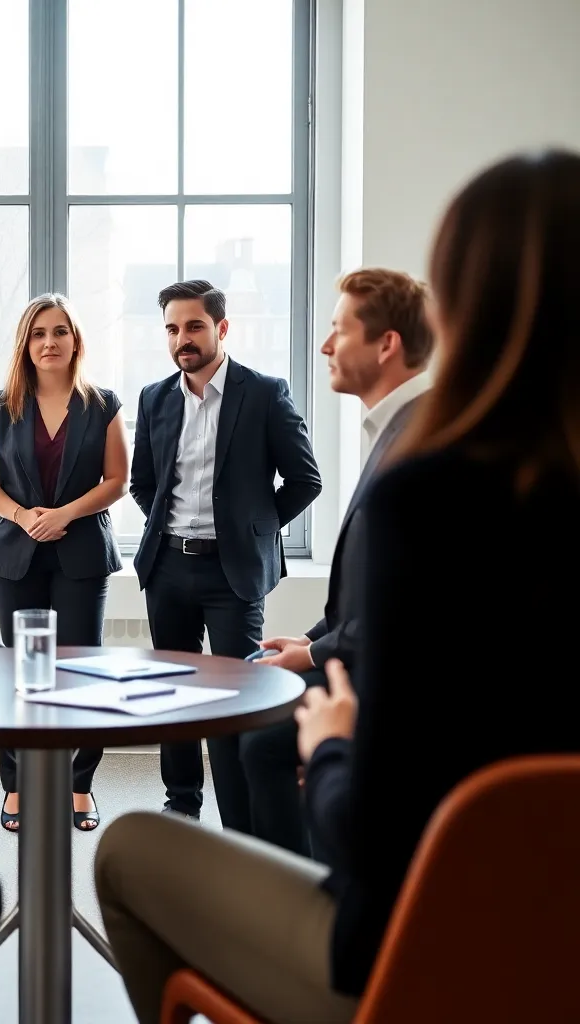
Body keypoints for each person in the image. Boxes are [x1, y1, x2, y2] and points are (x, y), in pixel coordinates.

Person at [95, 149, 580, 1024]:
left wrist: (335, 741)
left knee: (129, 850)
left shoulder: (431, 489)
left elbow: (379, 829)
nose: (324, 342)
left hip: (409, 955)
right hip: (552, 941)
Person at [241, 268, 433, 855]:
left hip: (392, 679)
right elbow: (369, 586)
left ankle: (308, 889)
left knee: (263, 735)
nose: (325, 345)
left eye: (337, 330)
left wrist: (319, 652)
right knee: (256, 709)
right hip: (355, 647)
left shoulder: (420, 441)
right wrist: (309, 639)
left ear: (386, 344)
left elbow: (406, 606)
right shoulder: (393, 427)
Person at [130, 279, 322, 825]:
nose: (182, 339)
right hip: (167, 564)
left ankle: (239, 818)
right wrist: (170, 529)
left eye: (193, 326)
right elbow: (144, 483)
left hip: (232, 572)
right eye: (172, 328)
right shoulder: (155, 398)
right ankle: (181, 804)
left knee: (235, 696)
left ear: (221, 327)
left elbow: (305, 480)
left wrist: (252, 533)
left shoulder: (264, 392)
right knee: (173, 691)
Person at [0, 293, 129, 832]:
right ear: (25, 343)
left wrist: (64, 514)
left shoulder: (102, 403)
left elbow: (117, 482)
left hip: (81, 553)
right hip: (15, 555)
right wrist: (23, 516)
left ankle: (79, 785)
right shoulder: (2, 404)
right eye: (38, 333)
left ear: (75, 340)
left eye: (60, 331)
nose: (49, 342)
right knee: (21, 675)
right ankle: (16, 787)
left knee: (81, 675)